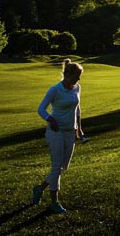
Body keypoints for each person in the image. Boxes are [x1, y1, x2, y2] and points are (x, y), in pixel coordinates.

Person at [31, 58, 85, 213]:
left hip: (70, 131)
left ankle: (39, 188)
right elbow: (41, 109)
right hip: (55, 132)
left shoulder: (77, 88)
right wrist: (50, 119)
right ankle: (54, 202)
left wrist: (79, 129)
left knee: (63, 167)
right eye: (77, 75)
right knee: (56, 167)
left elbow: (78, 109)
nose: (79, 79)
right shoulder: (55, 89)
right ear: (68, 74)